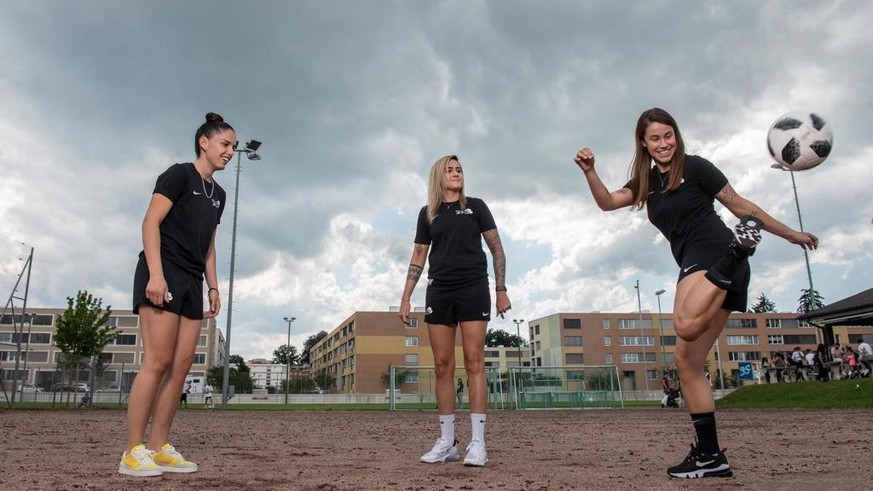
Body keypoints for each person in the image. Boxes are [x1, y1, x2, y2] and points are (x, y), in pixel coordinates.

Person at [574, 108, 818, 479]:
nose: (663, 143)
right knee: (688, 361)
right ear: (643, 143)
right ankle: (710, 457)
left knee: (685, 325)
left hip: (714, 251)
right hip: (712, 270)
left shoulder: (697, 167)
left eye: (668, 135)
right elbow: (607, 202)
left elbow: (741, 206)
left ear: (677, 136)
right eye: (655, 138)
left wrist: (791, 234)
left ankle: (738, 251)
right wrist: (590, 171)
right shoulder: (645, 182)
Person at [118, 113, 231, 477]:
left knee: (182, 366)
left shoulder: (220, 195)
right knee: (158, 360)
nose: (230, 152)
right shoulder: (179, 174)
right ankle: (132, 452)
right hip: (162, 271)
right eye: (225, 144)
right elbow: (150, 222)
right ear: (204, 142)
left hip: (192, 281)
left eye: (233, 147)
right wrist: (156, 274)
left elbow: (209, 246)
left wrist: (213, 287)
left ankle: (159, 447)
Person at [399, 155, 511, 467]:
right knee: (441, 365)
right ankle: (447, 441)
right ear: (438, 177)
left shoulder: (476, 206)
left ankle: (478, 442)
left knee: (474, 361)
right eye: (449, 170)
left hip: (473, 287)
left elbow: (497, 248)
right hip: (440, 290)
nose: (455, 173)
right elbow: (419, 255)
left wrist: (501, 288)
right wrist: (406, 297)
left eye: (459, 169)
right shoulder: (428, 213)